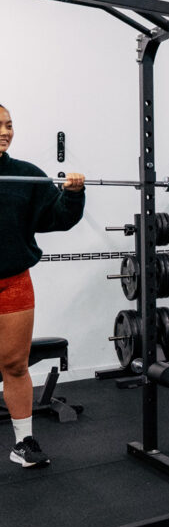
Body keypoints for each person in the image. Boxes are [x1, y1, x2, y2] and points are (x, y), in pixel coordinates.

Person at [0, 103, 85, 467]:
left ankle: (24, 444)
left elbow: (58, 217)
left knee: (15, 365)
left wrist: (73, 194)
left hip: (14, 283)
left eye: (9, 125)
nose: (5, 131)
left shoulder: (26, 176)